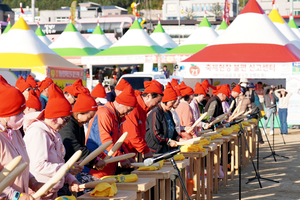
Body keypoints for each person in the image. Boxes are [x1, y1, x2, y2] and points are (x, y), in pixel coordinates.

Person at [24, 84, 83, 200]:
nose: (65, 124)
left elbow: (59, 162)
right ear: (54, 117)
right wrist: (67, 168)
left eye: (68, 120)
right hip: (38, 192)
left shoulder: (55, 133)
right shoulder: (38, 133)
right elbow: (38, 166)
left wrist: (71, 179)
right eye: (65, 120)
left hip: (51, 191)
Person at [0, 80, 46, 200]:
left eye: (23, 111)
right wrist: (16, 196)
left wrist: (34, 183)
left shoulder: (15, 132)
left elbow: (21, 167)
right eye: (18, 113)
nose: (22, 116)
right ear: (4, 114)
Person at [84, 85, 137, 179]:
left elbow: (119, 142)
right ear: (120, 103)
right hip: (95, 168)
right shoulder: (104, 113)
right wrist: (122, 158)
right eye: (128, 110)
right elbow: (105, 141)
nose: (128, 114)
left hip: (106, 168)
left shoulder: (117, 117)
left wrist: (127, 156)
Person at [59, 93, 106, 191]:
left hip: (72, 170)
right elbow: (74, 147)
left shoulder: (78, 124)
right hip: (64, 171)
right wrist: (94, 160)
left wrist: (94, 161)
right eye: (90, 116)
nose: (90, 119)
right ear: (81, 112)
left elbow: (81, 146)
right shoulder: (69, 125)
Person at [121, 80, 163, 159]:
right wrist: (145, 150)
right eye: (157, 102)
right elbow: (132, 135)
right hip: (125, 152)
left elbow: (141, 133)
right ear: (148, 96)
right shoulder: (134, 107)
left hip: (133, 152)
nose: (157, 105)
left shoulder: (143, 109)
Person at [145, 83, 184, 153]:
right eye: (172, 102)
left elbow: (173, 130)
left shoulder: (169, 113)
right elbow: (156, 134)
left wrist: (179, 138)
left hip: (167, 149)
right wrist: (168, 141)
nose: (173, 105)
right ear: (165, 101)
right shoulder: (156, 113)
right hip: (156, 150)